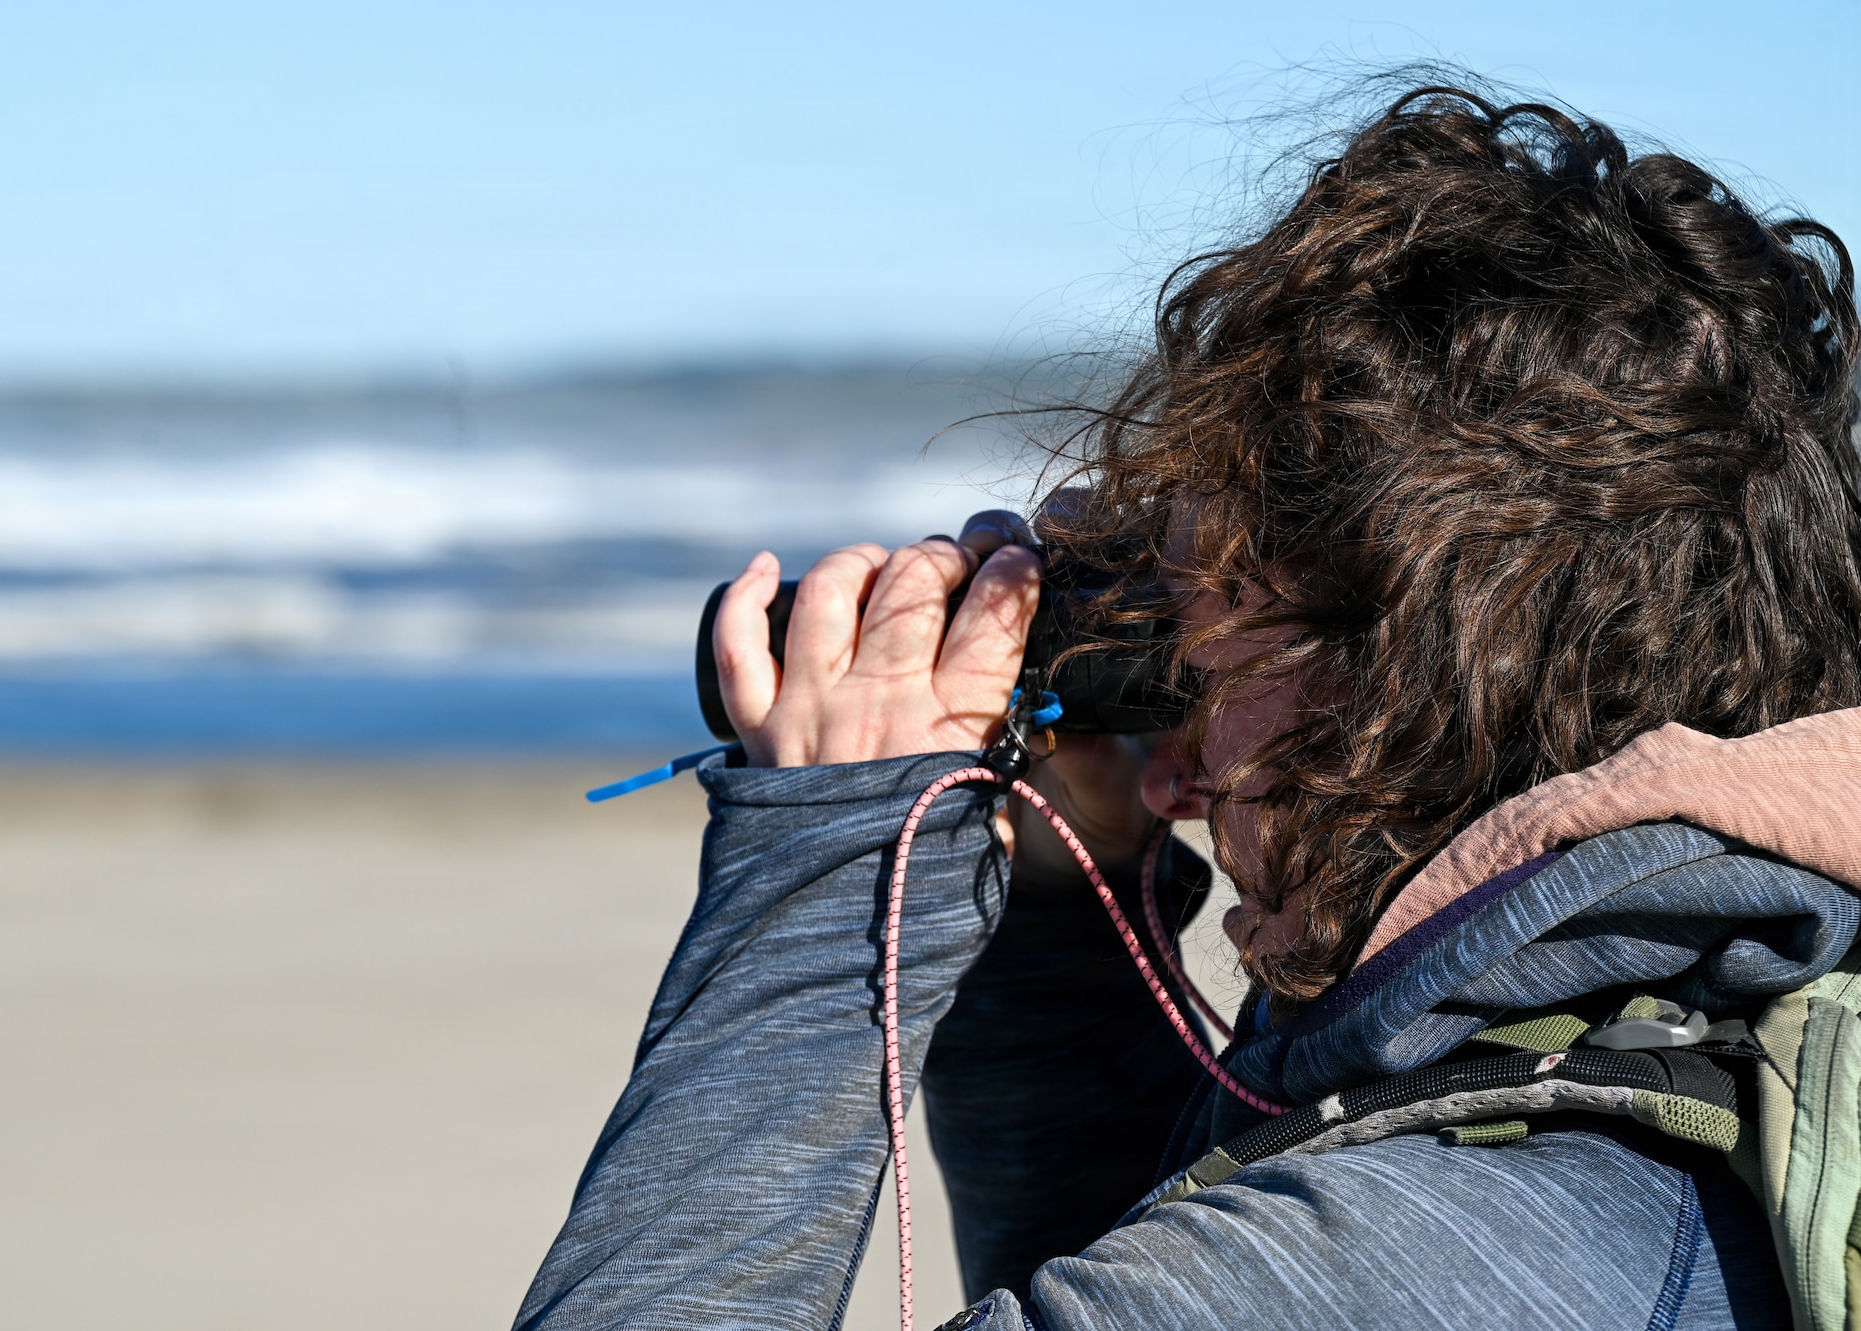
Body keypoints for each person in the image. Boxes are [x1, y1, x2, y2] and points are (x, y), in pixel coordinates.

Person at [516, 82, 1861, 1330]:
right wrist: (1058, 910)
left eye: (1201, 660)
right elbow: (1131, 1267)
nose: (1172, 781)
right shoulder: (1670, 1045)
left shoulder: (1437, 1250)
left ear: (1414, 676)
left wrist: (831, 856)